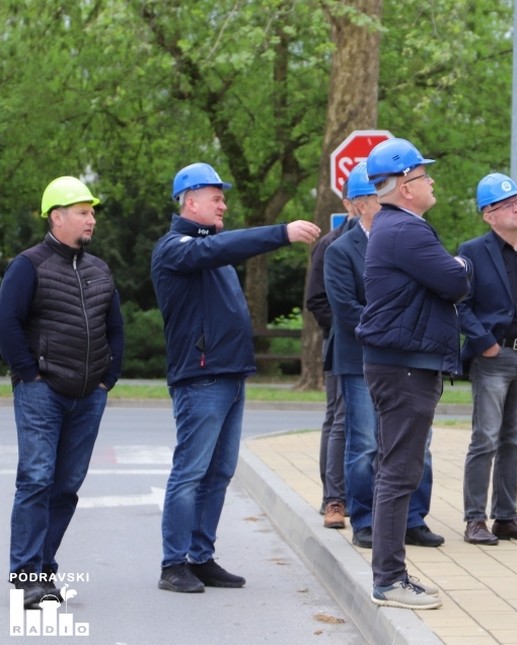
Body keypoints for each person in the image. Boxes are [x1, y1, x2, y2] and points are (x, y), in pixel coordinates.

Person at [151, 162, 321, 593]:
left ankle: (200, 557)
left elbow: (220, 251)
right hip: (201, 378)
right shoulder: (176, 248)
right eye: (216, 198)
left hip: (229, 374)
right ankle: (174, 564)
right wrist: (281, 232)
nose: (224, 204)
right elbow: (218, 249)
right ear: (191, 202)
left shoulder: (212, 249)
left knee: (220, 471)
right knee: (190, 472)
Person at [356, 138, 472, 610]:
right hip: (404, 366)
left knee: (396, 469)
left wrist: (454, 269)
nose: (431, 181)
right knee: (399, 472)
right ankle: (389, 580)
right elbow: (456, 281)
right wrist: (462, 264)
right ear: (406, 186)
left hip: (400, 363)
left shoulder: (395, 226)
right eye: (424, 175)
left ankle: (392, 575)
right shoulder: (406, 230)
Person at [0, 177, 124, 607]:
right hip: (43, 391)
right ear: (57, 217)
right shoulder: (28, 265)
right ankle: (26, 576)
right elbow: (7, 323)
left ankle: (43, 567)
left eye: (92, 212)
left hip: (90, 393)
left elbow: (115, 327)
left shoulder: (99, 269)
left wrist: (109, 378)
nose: (92, 220)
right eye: (83, 212)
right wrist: (28, 374)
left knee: (67, 485)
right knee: (37, 479)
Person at [325, 162, 442, 550]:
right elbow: (346, 309)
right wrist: (395, 328)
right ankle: (364, 519)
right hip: (360, 358)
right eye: (376, 199)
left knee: (417, 443)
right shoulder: (340, 250)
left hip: (409, 358)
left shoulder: (410, 238)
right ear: (359, 205)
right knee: (365, 444)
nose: (385, 204)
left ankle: (413, 519)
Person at [456, 173, 517, 546]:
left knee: (515, 439)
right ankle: (474, 519)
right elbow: (460, 304)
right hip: (493, 357)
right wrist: (485, 343)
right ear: (488, 215)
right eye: (507, 204)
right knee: (485, 438)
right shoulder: (472, 252)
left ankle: (506, 517)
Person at [305, 178, 358, 530]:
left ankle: (358, 494)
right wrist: (342, 330)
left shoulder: (383, 240)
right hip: (341, 344)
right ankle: (333, 497)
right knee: (339, 417)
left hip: (376, 347)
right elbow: (316, 299)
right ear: (347, 203)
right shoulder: (330, 244)